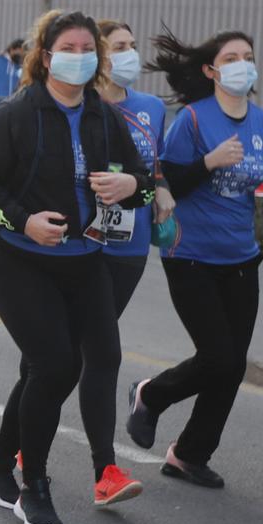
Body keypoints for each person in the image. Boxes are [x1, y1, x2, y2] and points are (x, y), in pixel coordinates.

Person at [0, 10, 151, 524]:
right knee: (55, 365)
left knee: (77, 361)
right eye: (67, 47)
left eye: (87, 48)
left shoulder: (104, 116)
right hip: (19, 260)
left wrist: (130, 188)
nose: (79, 56)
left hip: (85, 261)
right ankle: (34, 486)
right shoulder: (15, 114)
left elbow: (145, 181)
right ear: (45, 57)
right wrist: (24, 220)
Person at [125, 29, 263, 487]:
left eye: (248, 56)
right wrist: (210, 161)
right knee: (220, 356)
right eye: (232, 57)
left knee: (232, 364)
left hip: (241, 256)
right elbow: (167, 186)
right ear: (211, 70)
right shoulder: (194, 121)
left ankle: (188, 454)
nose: (243, 63)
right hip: (190, 254)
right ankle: (152, 394)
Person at [94, 20, 164, 319]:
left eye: (133, 47)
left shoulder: (153, 107)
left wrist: (163, 189)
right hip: (84, 242)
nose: (130, 54)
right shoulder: (82, 106)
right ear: (100, 56)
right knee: (72, 340)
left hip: (132, 244)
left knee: (104, 329)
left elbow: (157, 165)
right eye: (120, 47)